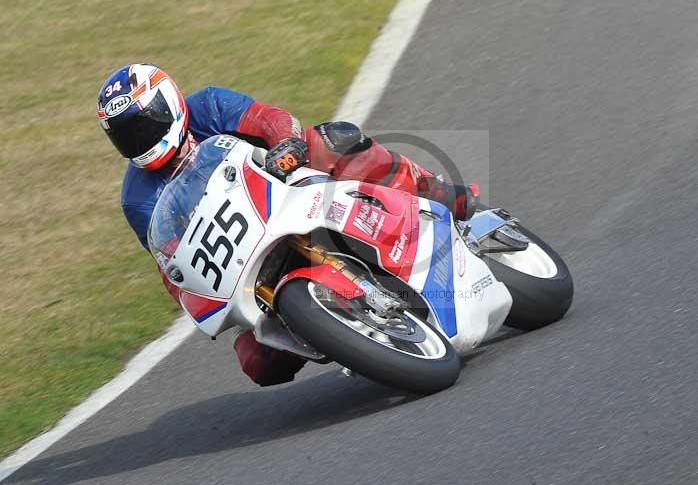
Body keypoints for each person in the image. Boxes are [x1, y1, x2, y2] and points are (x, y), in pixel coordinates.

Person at [98, 63, 478, 386]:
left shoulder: (208, 105)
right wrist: (193, 290)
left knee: (332, 140)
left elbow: (271, 119)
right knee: (257, 362)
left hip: (287, 184)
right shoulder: (138, 199)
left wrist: (286, 145)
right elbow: (171, 262)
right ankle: (343, 333)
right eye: (125, 136)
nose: (138, 140)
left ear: (168, 104)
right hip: (245, 251)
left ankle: (434, 190)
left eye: (143, 125)